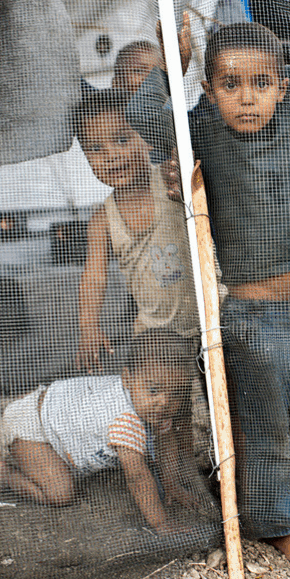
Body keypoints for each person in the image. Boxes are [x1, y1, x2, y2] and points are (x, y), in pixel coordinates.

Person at [131, 19, 290, 567]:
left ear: (282, 85)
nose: (246, 98)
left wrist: (279, 73)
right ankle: (276, 524)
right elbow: (146, 117)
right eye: (229, 85)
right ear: (207, 90)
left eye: (261, 84)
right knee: (266, 429)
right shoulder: (202, 128)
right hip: (251, 316)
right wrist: (172, 60)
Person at [0, 329, 201, 533]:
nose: (164, 401)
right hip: (32, 425)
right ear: (127, 379)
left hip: (56, 410)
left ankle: (43, 458)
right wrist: (161, 523)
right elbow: (137, 477)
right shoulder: (125, 421)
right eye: (153, 389)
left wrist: (171, 483)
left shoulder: (152, 405)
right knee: (60, 493)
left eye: (177, 393)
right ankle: (7, 476)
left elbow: (166, 439)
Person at [74, 88, 199, 374]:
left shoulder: (170, 180)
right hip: (153, 334)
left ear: (145, 138)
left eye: (122, 139)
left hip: (209, 318)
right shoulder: (102, 220)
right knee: (169, 404)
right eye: (94, 149)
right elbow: (93, 277)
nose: (111, 156)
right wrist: (89, 327)